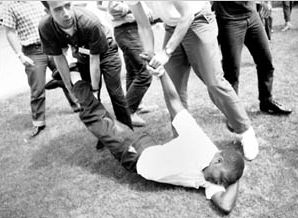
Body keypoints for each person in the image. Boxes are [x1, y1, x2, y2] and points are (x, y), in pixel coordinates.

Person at [69, 58, 245, 213]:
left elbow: (225, 205)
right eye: (221, 178)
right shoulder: (198, 142)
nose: (218, 183)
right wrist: (161, 73)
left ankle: (78, 83)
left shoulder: (213, 178)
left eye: (223, 182)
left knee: (106, 121)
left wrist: (235, 177)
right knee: (95, 119)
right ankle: (74, 76)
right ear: (218, 160)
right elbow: (175, 103)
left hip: (148, 147)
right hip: (135, 152)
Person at [128, 1, 259, 161]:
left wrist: (166, 52)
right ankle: (184, 139)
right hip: (172, 26)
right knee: (173, 89)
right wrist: (149, 55)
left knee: (214, 82)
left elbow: (187, 14)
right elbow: (143, 25)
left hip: (198, 19)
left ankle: (245, 131)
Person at [38, 1, 133, 130]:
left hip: (107, 51)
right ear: (48, 12)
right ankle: (106, 132)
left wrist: (95, 88)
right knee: (91, 100)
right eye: (58, 9)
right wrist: (68, 86)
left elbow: (95, 59)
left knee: (115, 93)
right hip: (83, 54)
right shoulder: (46, 27)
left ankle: (127, 130)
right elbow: (58, 57)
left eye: (67, 5)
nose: (66, 13)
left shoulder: (89, 21)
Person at [1, 1, 79, 138]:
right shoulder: (9, 5)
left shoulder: (38, 1)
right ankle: (39, 122)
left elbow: (53, 16)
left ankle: (78, 105)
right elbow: (10, 32)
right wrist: (20, 55)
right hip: (33, 51)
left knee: (67, 77)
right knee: (37, 88)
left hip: (52, 45)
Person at [213, 1, 292, 115]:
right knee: (232, 69)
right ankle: (233, 111)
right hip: (229, 18)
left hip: (251, 15)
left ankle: (267, 102)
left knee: (266, 61)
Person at [108, 1, 158, 127]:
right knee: (145, 73)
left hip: (132, 30)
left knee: (133, 72)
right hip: (127, 31)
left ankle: (137, 105)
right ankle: (128, 113)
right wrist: (138, 11)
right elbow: (114, 8)